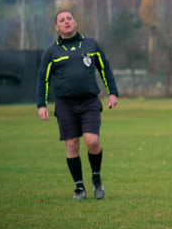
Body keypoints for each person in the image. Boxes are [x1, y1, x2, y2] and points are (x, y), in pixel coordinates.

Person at [36, 10, 119, 201]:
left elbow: (105, 68)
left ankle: (96, 178)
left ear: (75, 22)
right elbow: (43, 79)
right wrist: (41, 105)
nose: (66, 22)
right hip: (65, 105)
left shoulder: (91, 45)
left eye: (69, 19)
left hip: (89, 102)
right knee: (72, 145)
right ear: (56, 27)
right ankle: (79, 187)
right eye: (62, 20)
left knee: (92, 141)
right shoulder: (52, 52)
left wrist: (112, 92)